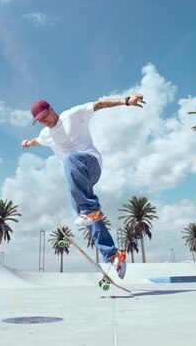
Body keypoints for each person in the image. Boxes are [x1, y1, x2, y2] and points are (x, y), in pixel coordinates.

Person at [20, 94, 145, 278]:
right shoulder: (45, 134)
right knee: (86, 217)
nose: (44, 122)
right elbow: (37, 141)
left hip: (91, 165)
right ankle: (113, 255)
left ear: (51, 109)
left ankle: (90, 210)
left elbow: (100, 104)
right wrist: (27, 143)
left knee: (71, 159)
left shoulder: (73, 115)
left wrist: (126, 101)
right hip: (77, 179)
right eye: (39, 121)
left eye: (44, 117)